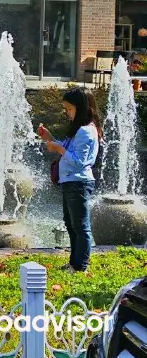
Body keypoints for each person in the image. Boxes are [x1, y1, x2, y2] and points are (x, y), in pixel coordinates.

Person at [38, 87, 101, 274]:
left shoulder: (85, 131)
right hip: (70, 182)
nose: (67, 113)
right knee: (71, 223)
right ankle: (74, 263)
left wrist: (58, 149)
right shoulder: (78, 130)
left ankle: (81, 265)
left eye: (69, 109)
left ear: (80, 108)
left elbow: (79, 162)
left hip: (78, 183)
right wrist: (49, 137)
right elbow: (66, 149)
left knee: (81, 227)